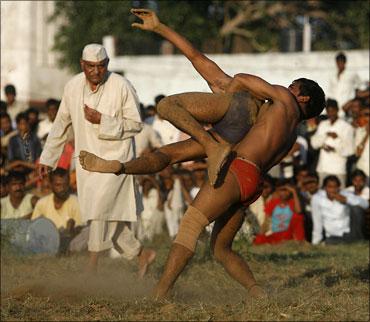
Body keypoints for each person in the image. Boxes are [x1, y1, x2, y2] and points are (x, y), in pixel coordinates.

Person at [81, 9, 326, 299]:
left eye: (292, 86)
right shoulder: (290, 133)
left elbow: (234, 75)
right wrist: (161, 28)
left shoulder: (281, 99)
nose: (285, 87)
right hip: (251, 182)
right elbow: (201, 62)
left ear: (303, 97)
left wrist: (230, 90)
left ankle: (159, 294)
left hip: (235, 165)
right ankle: (257, 292)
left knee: (191, 224)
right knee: (221, 249)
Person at [79, 10, 265, 186]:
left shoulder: (232, 89)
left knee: (166, 109)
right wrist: (159, 27)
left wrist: (160, 28)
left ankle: (124, 166)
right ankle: (120, 167)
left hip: (228, 131)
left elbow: (194, 56)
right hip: (227, 138)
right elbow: (194, 56)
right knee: (165, 155)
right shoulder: (233, 94)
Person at [37, 43, 155, 276]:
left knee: (101, 210)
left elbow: (136, 124)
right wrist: (47, 159)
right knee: (105, 214)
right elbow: (61, 124)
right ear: (82, 65)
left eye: (101, 66)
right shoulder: (72, 86)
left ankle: (91, 269)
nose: (96, 71)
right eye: (90, 66)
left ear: (107, 65)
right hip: (86, 163)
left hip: (115, 163)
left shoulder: (121, 85)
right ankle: (142, 254)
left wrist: (103, 119)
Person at [311, 175, 368, 245]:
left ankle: (358, 240)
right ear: (325, 188)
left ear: (339, 187)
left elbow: (365, 204)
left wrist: (346, 200)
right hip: (333, 235)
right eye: (330, 187)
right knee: (330, 242)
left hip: (349, 232)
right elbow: (317, 221)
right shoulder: (317, 198)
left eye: (335, 187)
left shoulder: (344, 194)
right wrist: (315, 242)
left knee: (356, 209)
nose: (332, 190)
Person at [311, 99, 355, 188]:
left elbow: (350, 150)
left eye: (333, 111)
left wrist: (336, 143)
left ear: (337, 110)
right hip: (323, 167)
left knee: (339, 194)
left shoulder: (347, 127)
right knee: (323, 196)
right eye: (328, 111)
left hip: (338, 169)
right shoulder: (323, 124)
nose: (331, 114)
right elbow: (314, 143)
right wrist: (325, 136)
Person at [253, 179, 305, 245]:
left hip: (288, 233)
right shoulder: (273, 203)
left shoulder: (292, 202)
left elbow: (299, 211)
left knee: (298, 217)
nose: (284, 193)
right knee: (259, 239)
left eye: (286, 190)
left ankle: (299, 241)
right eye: (281, 190)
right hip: (276, 234)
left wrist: (294, 192)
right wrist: (262, 234)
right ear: (277, 191)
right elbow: (266, 221)